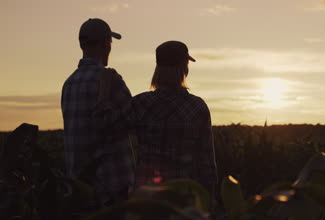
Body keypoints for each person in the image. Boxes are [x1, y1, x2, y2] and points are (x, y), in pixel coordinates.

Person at [93, 41, 218, 195]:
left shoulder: (141, 103)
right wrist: (209, 201)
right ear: (185, 68)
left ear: (157, 68)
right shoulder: (198, 107)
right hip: (184, 197)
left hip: (146, 197)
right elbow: (207, 164)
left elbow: (104, 126)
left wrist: (104, 92)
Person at [61, 18, 134, 206]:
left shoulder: (69, 84)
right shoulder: (111, 80)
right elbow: (132, 121)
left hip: (79, 187)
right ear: (105, 44)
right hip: (111, 187)